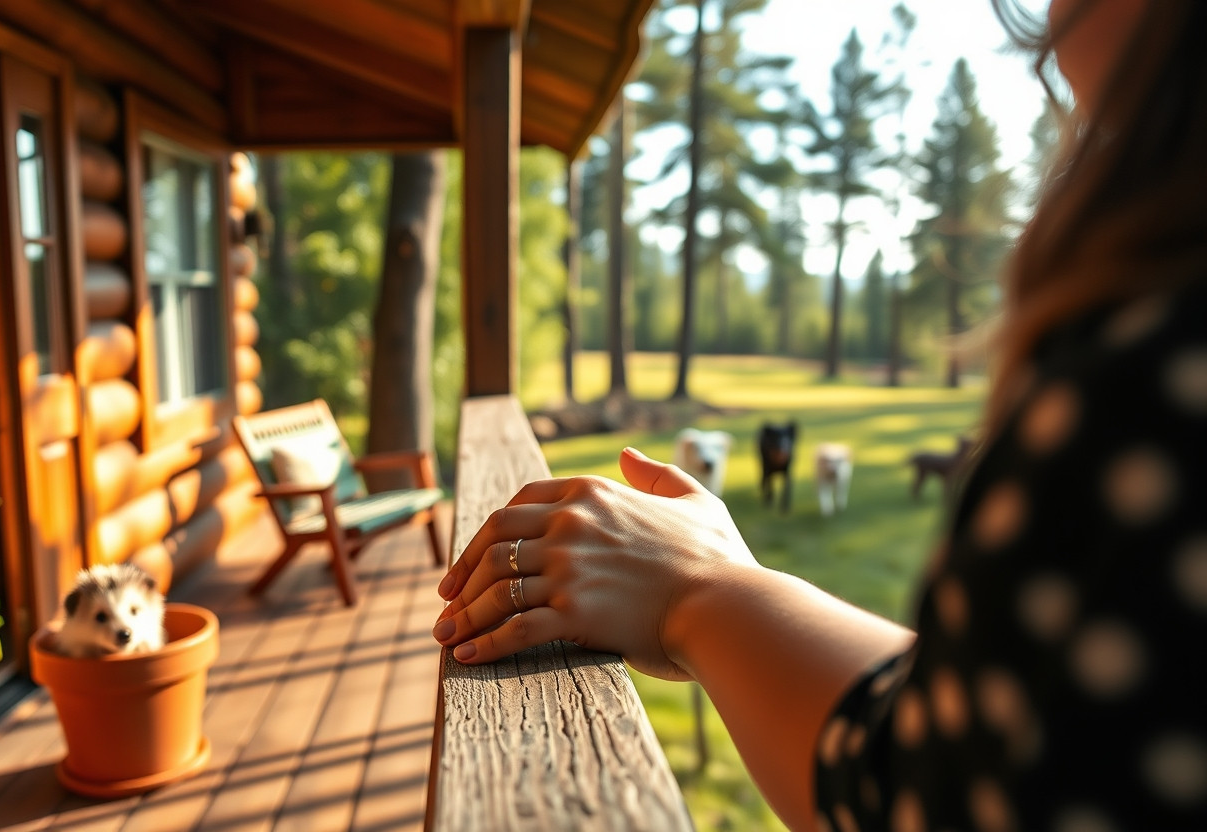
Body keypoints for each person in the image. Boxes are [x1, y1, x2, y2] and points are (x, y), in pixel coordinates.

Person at [433, 0, 1207, 829]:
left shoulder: (1158, 361)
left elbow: (932, 796)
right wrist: (724, 587)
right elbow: (1003, 727)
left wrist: (695, 596)